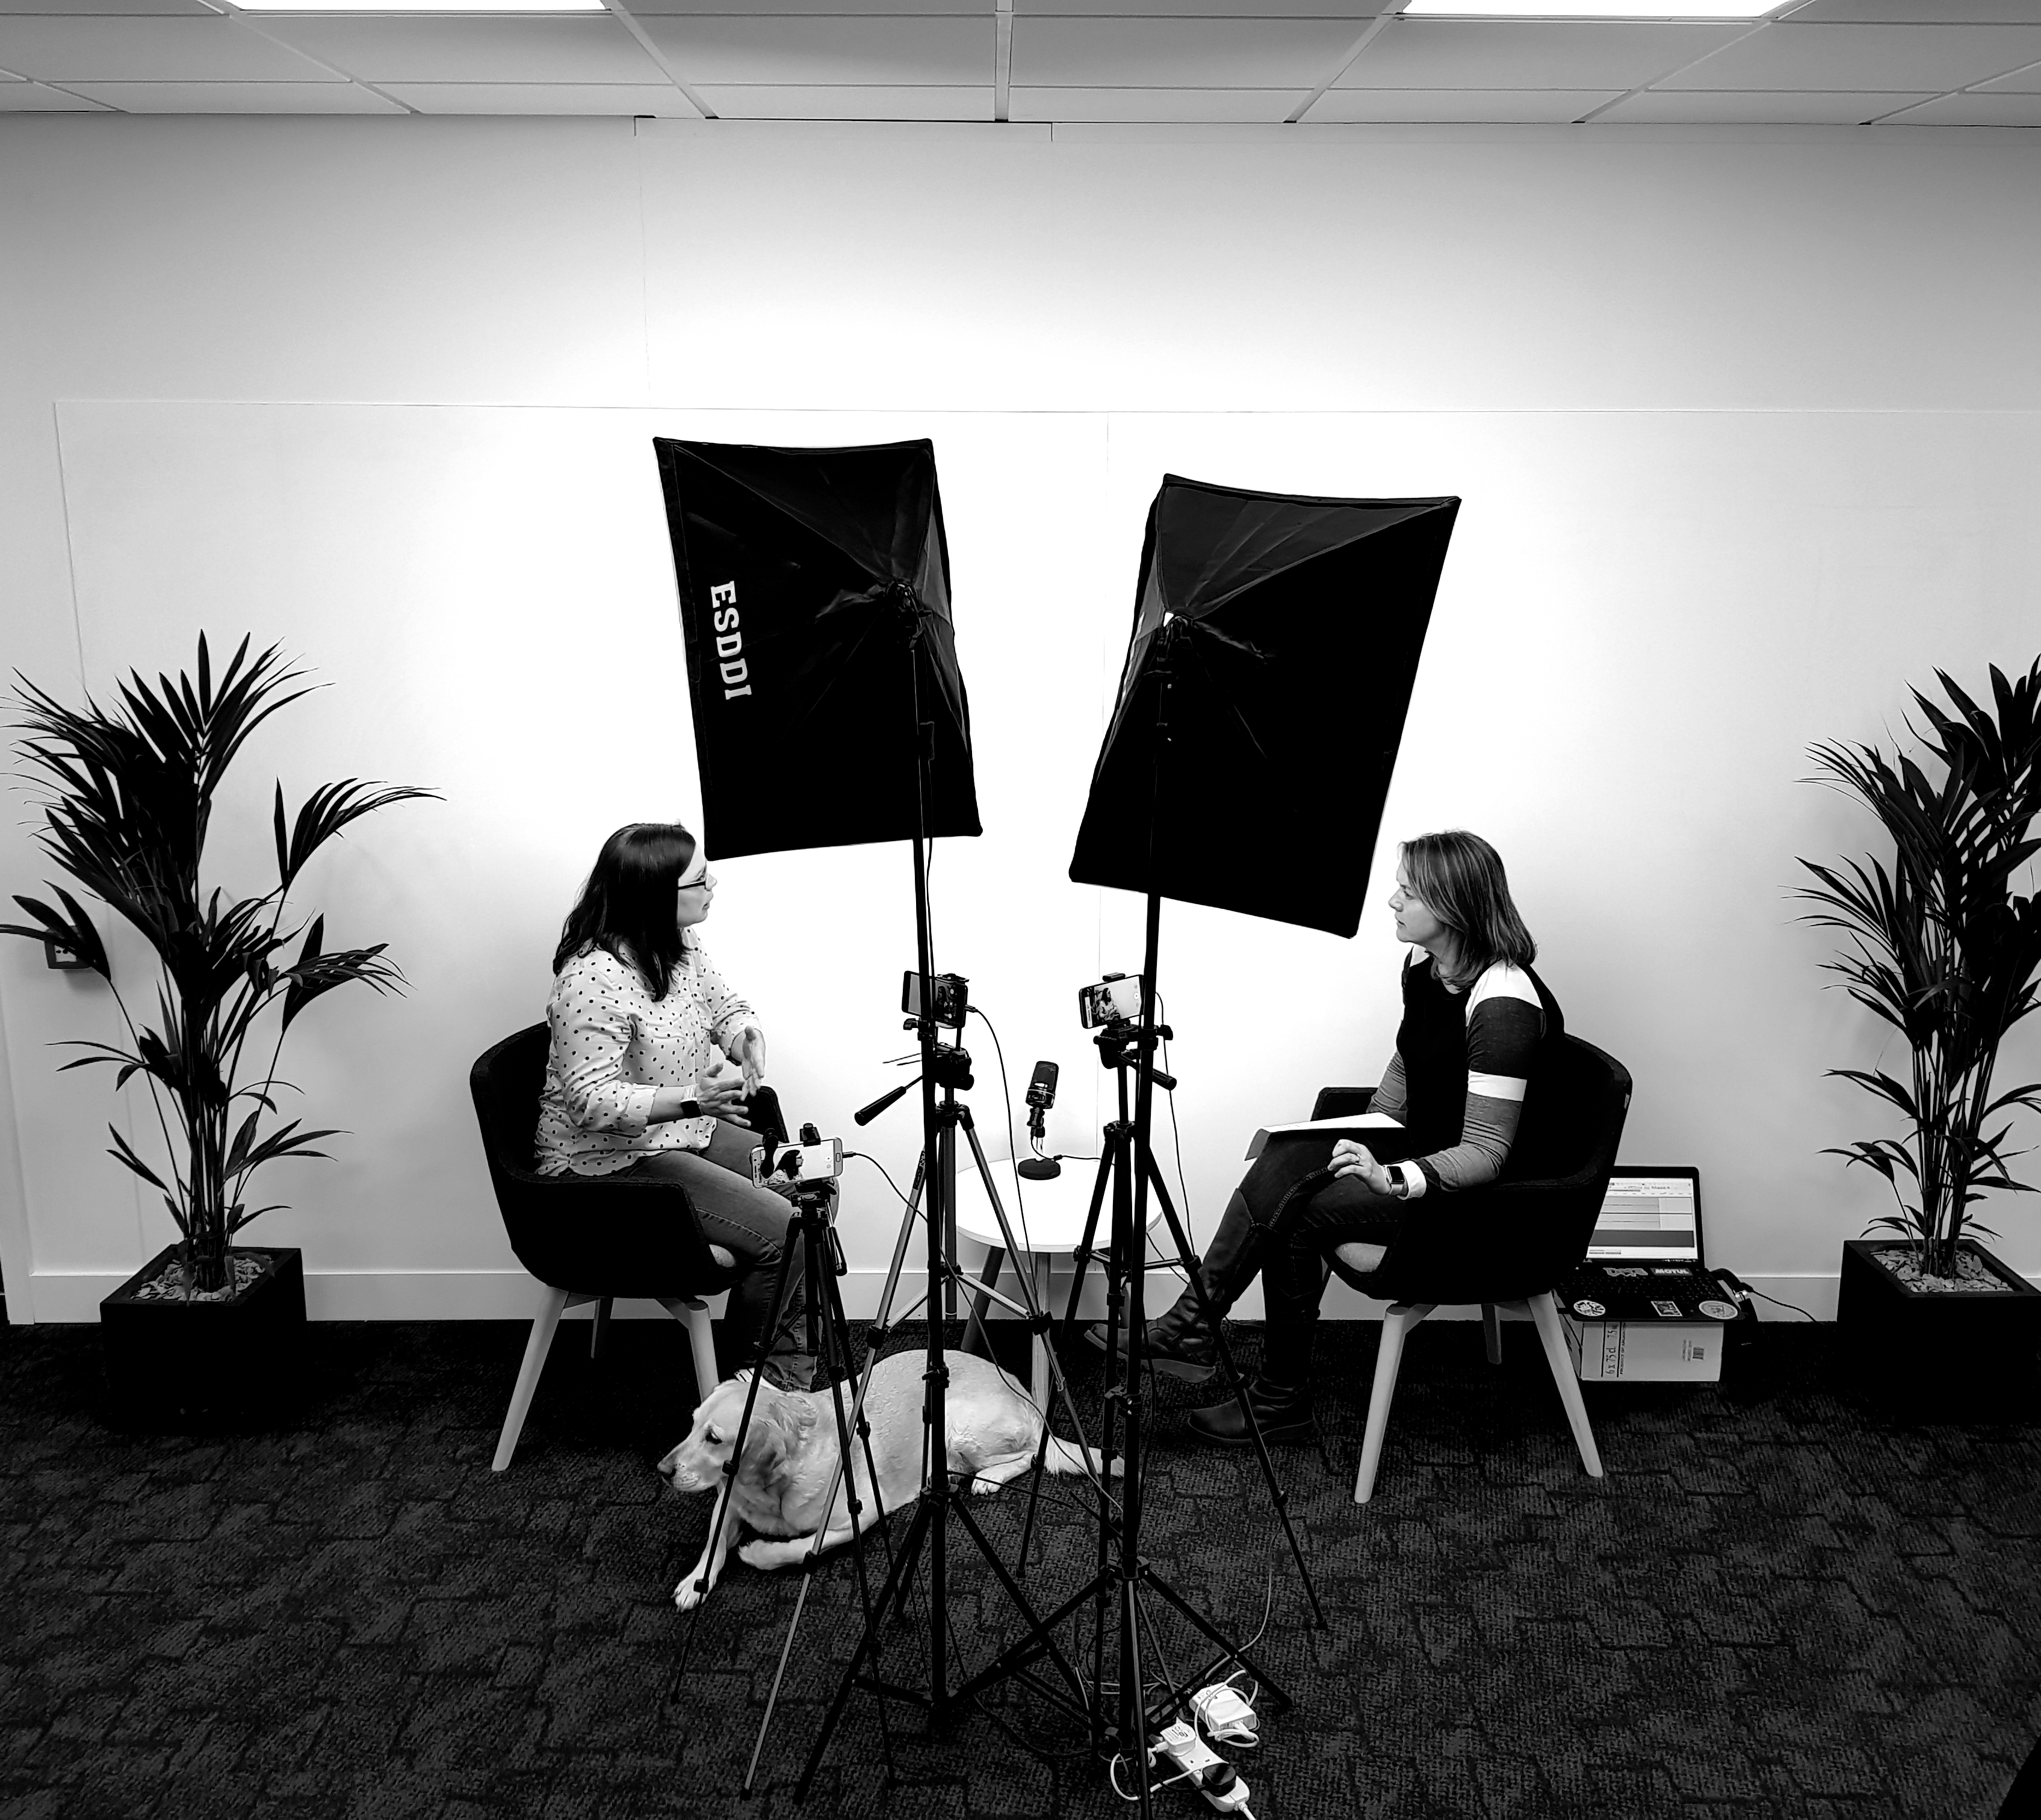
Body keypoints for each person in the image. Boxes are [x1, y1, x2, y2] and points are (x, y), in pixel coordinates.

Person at [1094, 830, 1562, 1444]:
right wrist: (1363, 1129)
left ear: (1451, 907)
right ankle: (1195, 1324)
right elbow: (1410, 1061)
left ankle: (1272, 1395)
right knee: (1288, 1153)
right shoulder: (1428, 968)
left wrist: (1387, 1175)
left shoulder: (1503, 1004)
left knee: (1300, 1215)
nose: (1393, 900)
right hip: (1423, 1154)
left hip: (1481, 1203)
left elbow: (1487, 1155)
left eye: (1409, 891)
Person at [536, 822, 813, 1392]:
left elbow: (722, 1005)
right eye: (700, 879)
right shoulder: (592, 977)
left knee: (807, 1187)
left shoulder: (676, 943)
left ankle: (791, 1358)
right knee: (787, 1230)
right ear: (655, 895)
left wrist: (744, 1036)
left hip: (677, 1134)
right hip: (605, 1165)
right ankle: (767, 1388)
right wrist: (692, 1099)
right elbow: (591, 1103)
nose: (714, 885)